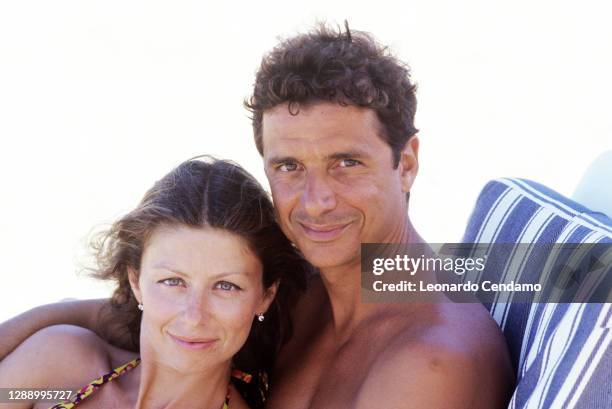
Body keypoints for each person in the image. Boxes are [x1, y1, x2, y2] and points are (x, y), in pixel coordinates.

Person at [0, 24, 514, 408]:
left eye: (346, 163)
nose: (315, 201)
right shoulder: (299, 290)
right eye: (289, 166)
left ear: (406, 163)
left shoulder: (433, 360)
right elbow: (141, 314)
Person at [0, 158, 308, 409]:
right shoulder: (58, 372)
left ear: (265, 296)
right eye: (173, 281)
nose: (194, 316)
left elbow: (362, 267)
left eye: (226, 286)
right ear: (135, 280)